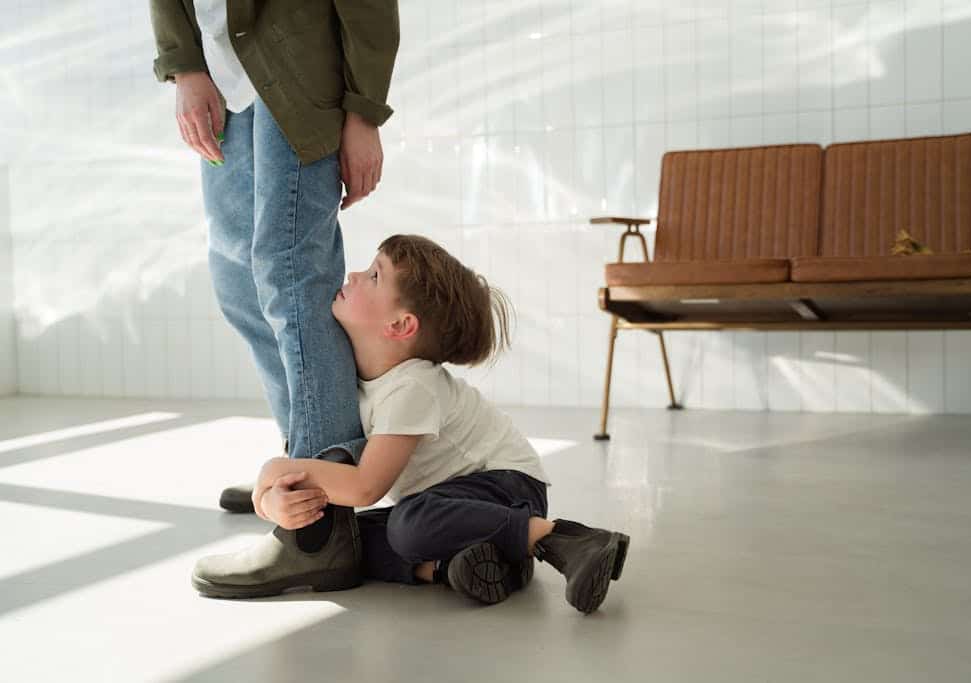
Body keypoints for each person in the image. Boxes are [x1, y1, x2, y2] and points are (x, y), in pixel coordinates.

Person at [192, 235, 631, 613]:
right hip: (449, 500)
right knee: (346, 541)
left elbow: (365, 487)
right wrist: (272, 502)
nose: (354, 276)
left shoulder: (413, 387)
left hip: (507, 488)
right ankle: (464, 565)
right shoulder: (360, 371)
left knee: (409, 524)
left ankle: (564, 539)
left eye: (375, 275)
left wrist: (273, 474)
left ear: (400, 325)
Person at [148, 1, 399, 588]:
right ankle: (301, 469)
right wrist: (186, 68)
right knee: (240, 286)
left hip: (297, 71)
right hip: (222, 83)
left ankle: (318, 530)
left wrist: (363, 112)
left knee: (292, 277)